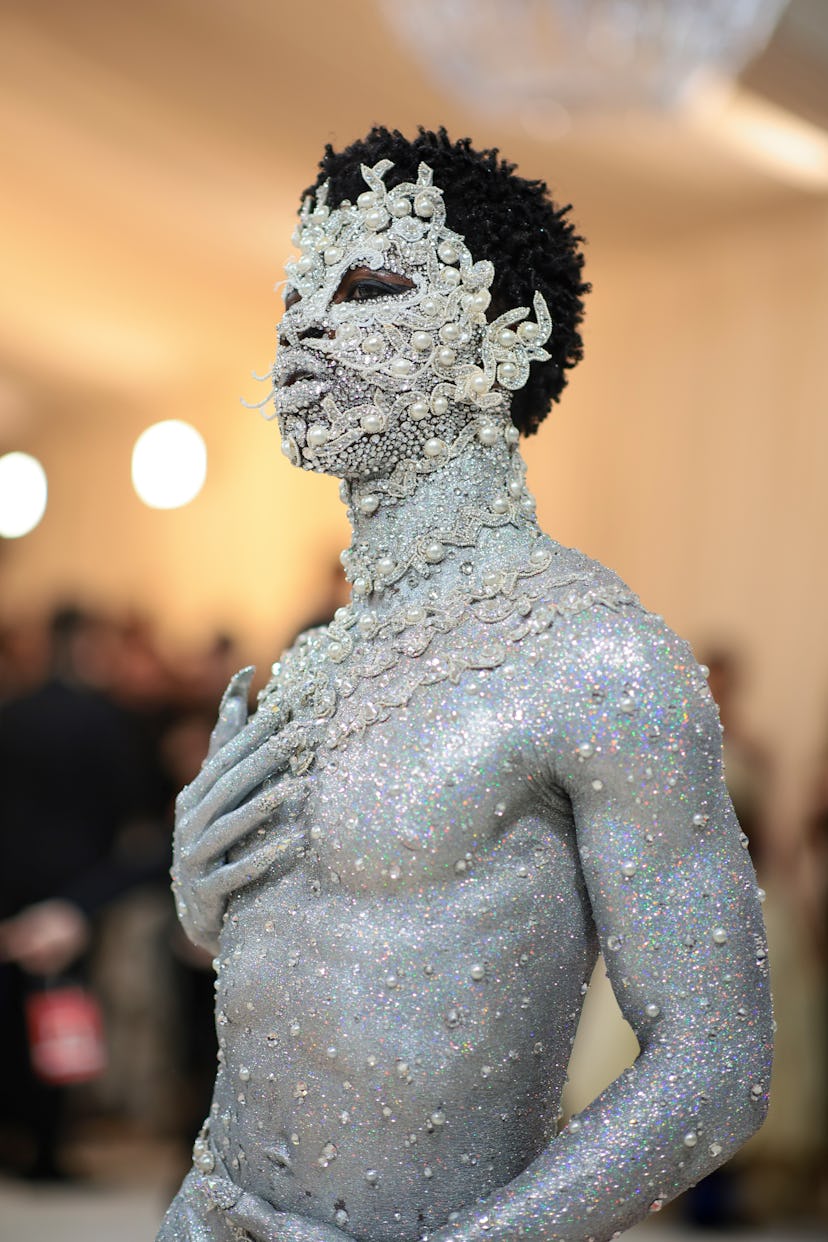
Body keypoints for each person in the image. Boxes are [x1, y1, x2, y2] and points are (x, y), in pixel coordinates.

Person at [159, 128, 772, 1242]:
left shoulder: (594, 655)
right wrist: (203, 903)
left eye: (370, 285)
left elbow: (718, 1060)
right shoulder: (310, 664)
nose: (306, 322)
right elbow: (318, 954)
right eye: (296, 290)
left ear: (501, 340)